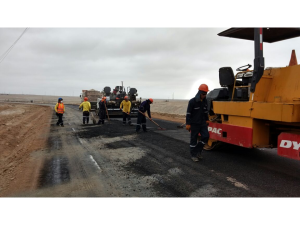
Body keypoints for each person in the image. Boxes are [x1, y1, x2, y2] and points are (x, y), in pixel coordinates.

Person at [186, 84, 210, 162]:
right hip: (194, 123)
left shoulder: (205, 101)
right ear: (199, 93)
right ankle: (193, 155)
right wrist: (188, 123)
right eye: (203, 94)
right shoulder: (192, 101)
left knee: (206, 136)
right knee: (194, 139)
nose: (204, 95)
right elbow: (188, 113)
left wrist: (207, 119)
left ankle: (198, 151)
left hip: (202, 123)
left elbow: (206, 111)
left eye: (206, 94)